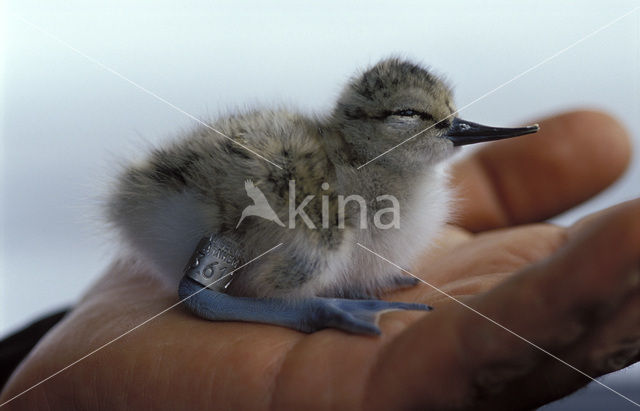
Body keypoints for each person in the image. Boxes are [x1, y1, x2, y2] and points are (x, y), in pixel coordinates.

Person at [1, 110, 638, 410]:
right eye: (421, 122)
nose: (455, 131)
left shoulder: (383, 191)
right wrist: (301, 312)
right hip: (197, 208)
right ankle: (221, 293)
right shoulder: (332, 199)